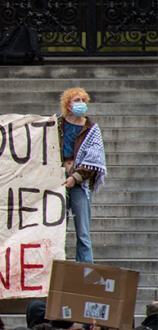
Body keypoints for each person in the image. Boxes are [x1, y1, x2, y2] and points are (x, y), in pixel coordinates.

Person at [57, 88, 106, 264]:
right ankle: (57, 268)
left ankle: (85, 270)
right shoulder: (57, 125)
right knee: (56, 231)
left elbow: (94, 160)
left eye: (84, 100)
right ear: (68, 105)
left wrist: (76, 177)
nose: (81, 103)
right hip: (58, 184)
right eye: (77, 100)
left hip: (80, 185)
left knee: (83, 233)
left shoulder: (91, 129)